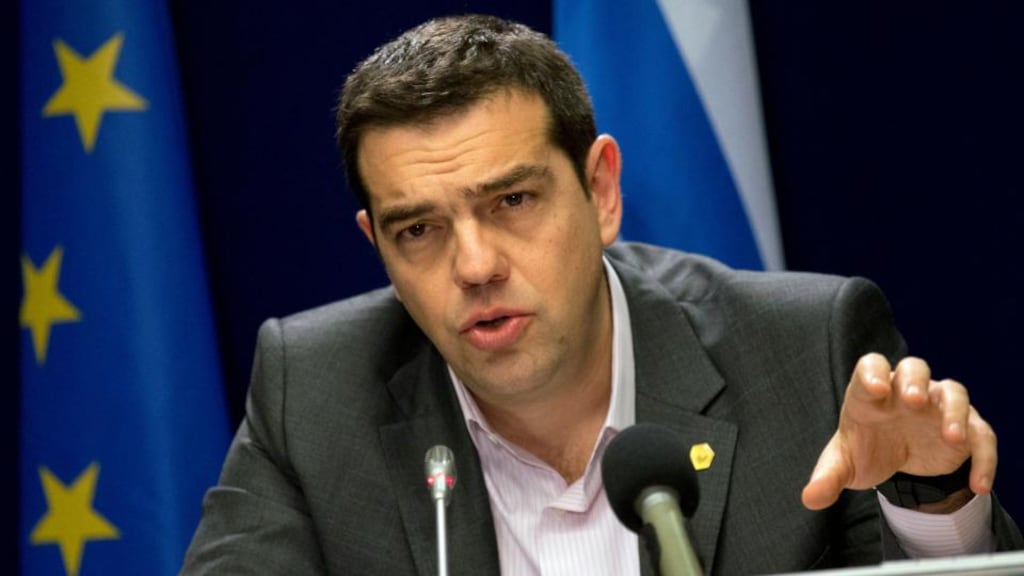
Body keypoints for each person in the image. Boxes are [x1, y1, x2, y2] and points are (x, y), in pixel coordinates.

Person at [181, 14, 1022, 575]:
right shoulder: (314, 392)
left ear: (601, 191)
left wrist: (930, 499)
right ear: (378, 247)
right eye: (420, 230)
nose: (474, 265)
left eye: (512, 201)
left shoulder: (803, 352)